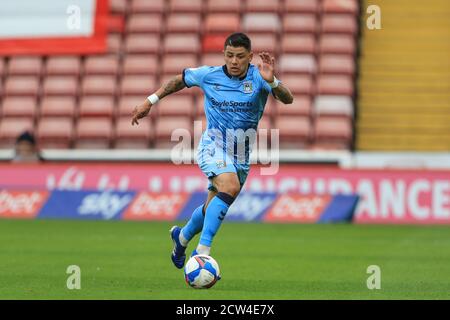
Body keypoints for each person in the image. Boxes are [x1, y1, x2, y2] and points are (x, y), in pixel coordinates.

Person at [131, 32, 294, 269]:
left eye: (240, 56)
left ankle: (182, 237)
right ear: (224, 55)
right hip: (212, 146)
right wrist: (149, 102)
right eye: (230, 56)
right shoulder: (209, 75)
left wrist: (272, 81)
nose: (234, 61)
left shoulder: (259, 79)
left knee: (213, 205)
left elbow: (288, 99)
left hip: (241, 154)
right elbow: (179, 80)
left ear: (250, 56)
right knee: (229, 186)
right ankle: (202, 253)